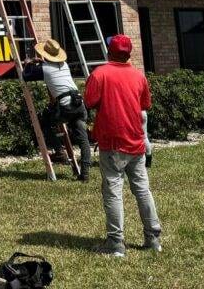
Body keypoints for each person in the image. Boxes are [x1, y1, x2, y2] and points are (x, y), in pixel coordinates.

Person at [84, 34, 162, 258]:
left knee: (113, 192)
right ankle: (153, 239)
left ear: (109, 51)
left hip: (112, 143)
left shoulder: (99, 74)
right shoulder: (139, 76)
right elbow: (145, 105)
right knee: (142, 190)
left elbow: (89, 101)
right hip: (136, 141)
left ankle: (116, 243)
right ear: (129, 54)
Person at [23, 38, 91, 181]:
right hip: (79, 104)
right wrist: (40, 63)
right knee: (83, 139)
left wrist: (28, 63)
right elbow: (52, 70)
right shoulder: (64, 65)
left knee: (44, 122)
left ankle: (59, 152)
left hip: (65, 107)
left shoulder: (45, 69)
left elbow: (26, 75)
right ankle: (84, 174)